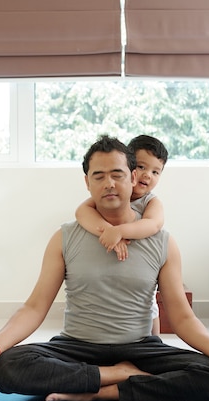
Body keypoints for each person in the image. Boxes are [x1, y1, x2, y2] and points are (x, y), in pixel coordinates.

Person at [0, 135, 209, 401]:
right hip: (76, 346)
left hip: (141, 346)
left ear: (134, 178)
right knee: (6, 368)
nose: (109, 183)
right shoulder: (65, 237)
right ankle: (121, 375)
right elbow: (34, 308)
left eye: (117, 173)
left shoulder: (163, 241)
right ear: (87, 182)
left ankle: (102, 388)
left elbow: (183, 319)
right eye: (98, 176)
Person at [75, 134, 168, 335]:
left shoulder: (151, 202)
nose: (147, 175)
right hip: (109, 261)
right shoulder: (108, 194)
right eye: (142, 167)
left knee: (150, 308)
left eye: (156, 171)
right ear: (131, 168)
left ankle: (155, 343)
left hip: (141, 266)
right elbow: (82, 213)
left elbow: (152, 224)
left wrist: (120, 232)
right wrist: (107, 231)